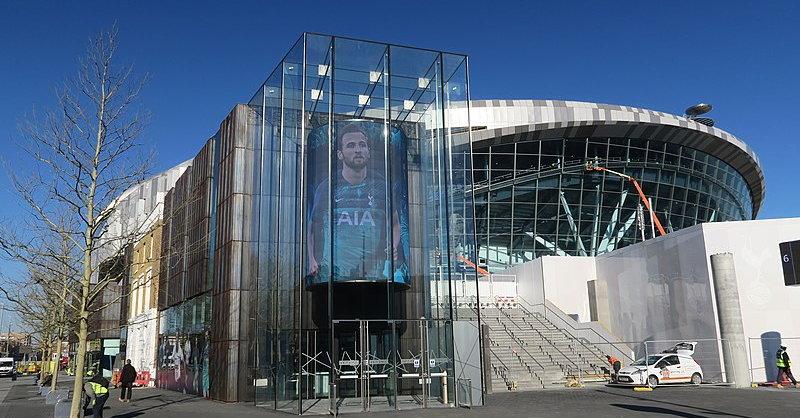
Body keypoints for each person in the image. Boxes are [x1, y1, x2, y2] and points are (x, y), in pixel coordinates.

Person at [307, 123, 400, 283]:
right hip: (333, 276)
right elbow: (310, 230)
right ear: (340, 154)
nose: (358, 149)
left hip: (373, 277)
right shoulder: (327, 187)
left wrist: (394, 245)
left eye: (362, 145)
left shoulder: (382, 186)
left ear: (368, 152)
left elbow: (396, 223)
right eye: (351, 145)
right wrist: (312, 260)